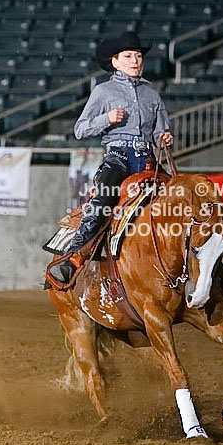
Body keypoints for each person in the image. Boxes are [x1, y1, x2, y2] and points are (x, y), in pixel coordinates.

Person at [49, 31, 174, 285]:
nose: (135, 60)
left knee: (178, 200)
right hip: (118, 158)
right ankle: (74, 258)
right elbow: (80, 129)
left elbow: (160, 131)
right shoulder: (103, 92)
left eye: (138, 56)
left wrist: (164, 137)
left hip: (148, 160)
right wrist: (106, 119)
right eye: (128, 56)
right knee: (103, 200)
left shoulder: (152, 94)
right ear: (114, 62)